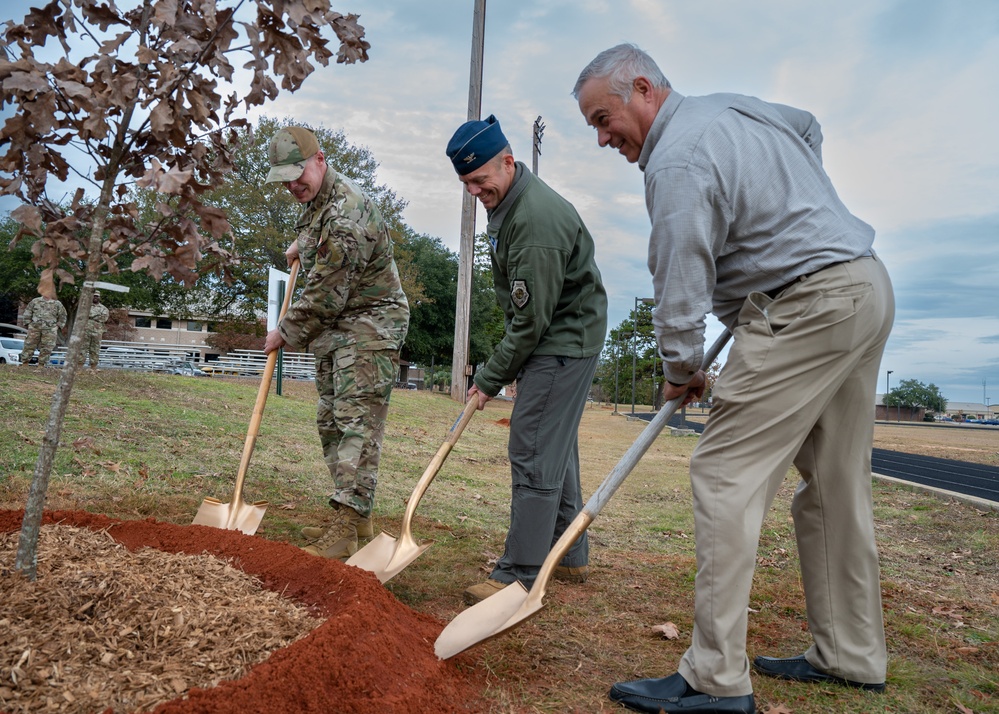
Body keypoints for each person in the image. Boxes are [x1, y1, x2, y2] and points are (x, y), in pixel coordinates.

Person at [573, 44, 894, 713]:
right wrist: (798, 204)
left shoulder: (677, 160)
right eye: (595, 128)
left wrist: (680, 371)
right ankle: (851, 653)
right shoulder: (734, 110)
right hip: (861, 286)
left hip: (804, 305)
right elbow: (806, 125)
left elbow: (679, 275)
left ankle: (715, 679)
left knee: (722, 475)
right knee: (834, 482)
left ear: (641, 88)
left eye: (604, 120)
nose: (604, 139)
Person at [445, 115, 608, 604]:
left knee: (533, 447)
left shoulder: (535, 221)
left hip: (562, 341)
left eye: (480, 180)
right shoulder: (513, 205)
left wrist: (490, 378)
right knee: (555, 447)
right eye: (466, 184)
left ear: (509, 162)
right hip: (561, 336)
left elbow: (530, 321)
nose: (475, 190)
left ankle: (519, 573)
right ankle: (570, 556)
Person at [261, 126, 410, 560]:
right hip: (338, 327)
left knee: (355, 423)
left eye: (298, 174)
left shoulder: (348, 212)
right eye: (284, 178)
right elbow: (317, 239)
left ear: (320, 159)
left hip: (370, 325)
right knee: (330, 419)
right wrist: (300, 244)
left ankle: (347, 522)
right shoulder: (318, 200)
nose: (293, 185)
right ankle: (356, 515)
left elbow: (326, 290)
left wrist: (285, 332)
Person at [19, 285, 67, 367]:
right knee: (29, 345)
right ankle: (25, 363)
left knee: (47, 348)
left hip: (50, 329)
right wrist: (28, 324)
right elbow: (28, 312)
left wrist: (57, 326)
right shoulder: (35, 301)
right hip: (35, 328)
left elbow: (63, 316)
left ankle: (41, 365)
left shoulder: (57, 304)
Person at [79, 291, 109, 370]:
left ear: (99, 297)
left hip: (97, 332)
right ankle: (79, 366)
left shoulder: (104, 308)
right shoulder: (85, 306)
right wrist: (96, 316)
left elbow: (104, 318)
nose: (95, 297)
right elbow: (82, 316)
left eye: (97, 296)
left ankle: (93, 367)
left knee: (95, 349)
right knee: (82, 349)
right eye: (94, 296)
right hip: (85, 330)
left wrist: (90, 316)